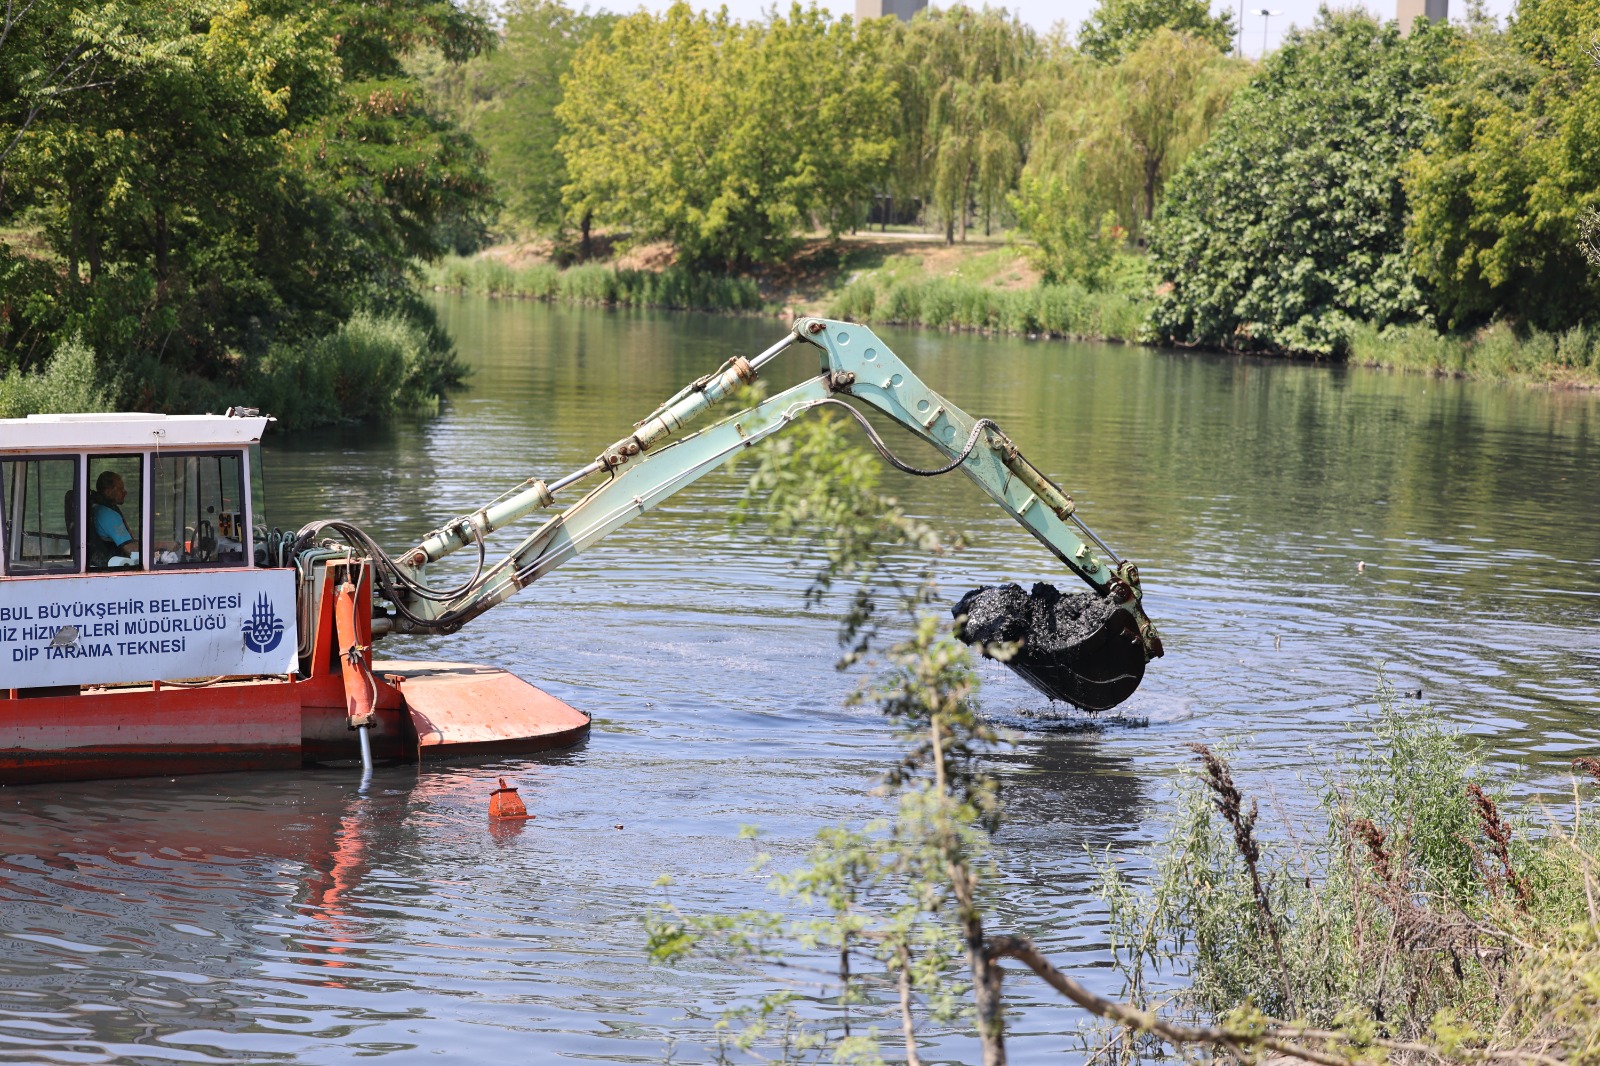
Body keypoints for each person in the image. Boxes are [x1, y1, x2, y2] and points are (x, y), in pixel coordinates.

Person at [88, 470, 138, 569]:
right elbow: (132, 549)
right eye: (120, 489)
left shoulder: (98, 508)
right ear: (108, 492)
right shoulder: (108, 514)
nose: (125, 492)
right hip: (115, 567)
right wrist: (163, 545)